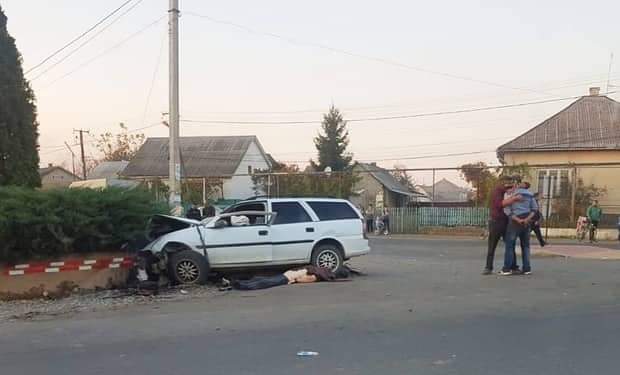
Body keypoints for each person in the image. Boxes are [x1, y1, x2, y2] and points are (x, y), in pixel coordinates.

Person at [482, 175, 523, 275]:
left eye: (511, 182)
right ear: (502, 181)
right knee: (492, 245)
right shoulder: (497, 191)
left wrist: (516, 189)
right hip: (496, 221)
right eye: (508, 182)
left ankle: (513, 266)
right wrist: (514, 199)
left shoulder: (505, 190)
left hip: (505, 221)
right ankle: (488, 267)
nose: (509, 184)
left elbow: (513, 190)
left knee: (510, 244)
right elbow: (500, 204)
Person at [500, 181, 538, 275]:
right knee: (525, 246)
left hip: (514, 221)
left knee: (510, 245)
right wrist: (527, 219)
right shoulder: (530, 195)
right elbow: (534, 209)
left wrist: (518, 219)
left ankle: (507, 269)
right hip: (527, 221)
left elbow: (507, 210)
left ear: (517, 186)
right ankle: (527, 268)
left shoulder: (512, 194)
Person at [231, 266, 347, 290]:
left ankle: (241, 282)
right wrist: (296, 279)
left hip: (291, 272)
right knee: (265, 282)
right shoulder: (322, 275)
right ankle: (241, 284)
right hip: (290, 277)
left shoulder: (322, 269)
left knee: (264, 279)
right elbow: (305, 278)